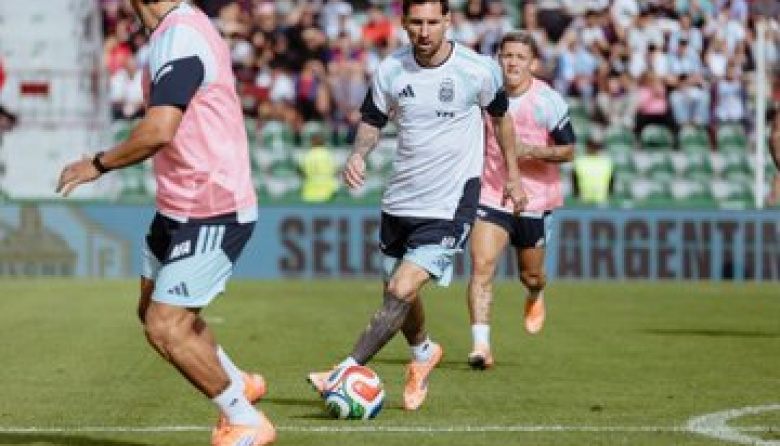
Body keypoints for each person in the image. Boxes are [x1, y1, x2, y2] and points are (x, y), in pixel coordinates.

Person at [56, 2, 275, 445]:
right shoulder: (170, 32)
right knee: (151, 310)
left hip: (211, 206)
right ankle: (239, 382)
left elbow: (159, 129)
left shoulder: (181, 36)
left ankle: (245, 419)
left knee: (166, 325)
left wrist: (98, 164)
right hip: (177, 205)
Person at [307, 0, 525, 410]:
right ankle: (423, 353)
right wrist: (358, 155)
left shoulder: (477, 69)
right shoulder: (392, 69)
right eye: (416, 23)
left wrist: (512, 176)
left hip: (450, 203)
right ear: (404, 23)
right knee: (399, 296)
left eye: (432, 22)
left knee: (400, 288)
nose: (425, 31)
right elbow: (373, 120)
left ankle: (344, 370)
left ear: (447, 21)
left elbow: (502, 120)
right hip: (399, 200)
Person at [466, 31, 575, 370]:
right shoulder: (486, 95)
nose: (512, 62)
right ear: (499, 59)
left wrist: (532, 151)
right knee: (482, 267)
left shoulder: (549, 101)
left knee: (531, 275)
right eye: (507, 55)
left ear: (533, 63)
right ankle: (481, 346)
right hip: (492, 193)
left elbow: (569, 149)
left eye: (519, 57)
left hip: (535, 199)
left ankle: (535, 294)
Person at [572, 135, 614, 206]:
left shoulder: (607, 162)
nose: (594, 148)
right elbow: (574, 179)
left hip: (602, 200)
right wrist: (577, 195)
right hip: (583, 199)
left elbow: (611, 181)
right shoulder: (579, 161)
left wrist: (608, 195)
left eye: (596, 146)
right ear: (587, 146)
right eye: (592, 145)